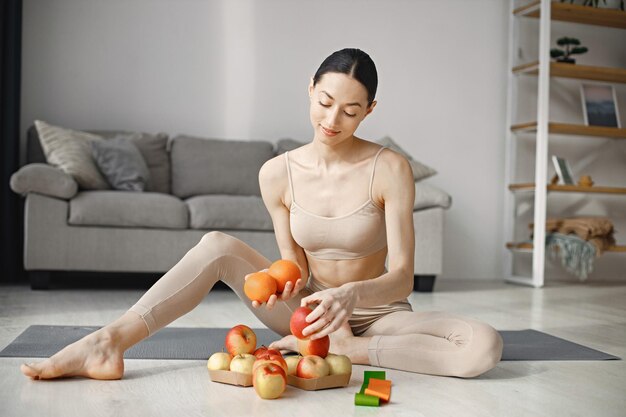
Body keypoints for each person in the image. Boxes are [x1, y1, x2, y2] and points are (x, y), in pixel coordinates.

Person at [20, 48, 502, 381]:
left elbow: (402, 278)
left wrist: (351, 298)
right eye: (325, 102)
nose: (333, 121)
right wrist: (288, 280)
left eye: (351, 111)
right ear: (310, 89)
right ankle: (109, 342)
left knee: (483, 345)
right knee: (215, 245)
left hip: (378, 315)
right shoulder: (276, 173)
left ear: (370, 110)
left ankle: (352, 353)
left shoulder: (390, 168)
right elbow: (295, 267)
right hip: (309, 316)